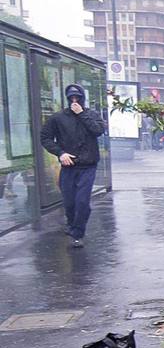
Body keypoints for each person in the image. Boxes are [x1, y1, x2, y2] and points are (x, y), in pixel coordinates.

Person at [40, 84, 105, 248]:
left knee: (82, 201)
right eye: (71, 98)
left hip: (88, 165)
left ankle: (78, 234)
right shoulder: (58, 118)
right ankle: (72, 224)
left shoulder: (92, 115)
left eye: (77, 98)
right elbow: (45, 137)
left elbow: (98, 130)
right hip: (68, 165)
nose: (74, 101)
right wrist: (60, 153)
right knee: (69, 202)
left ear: (82, 99)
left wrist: (82, 114)